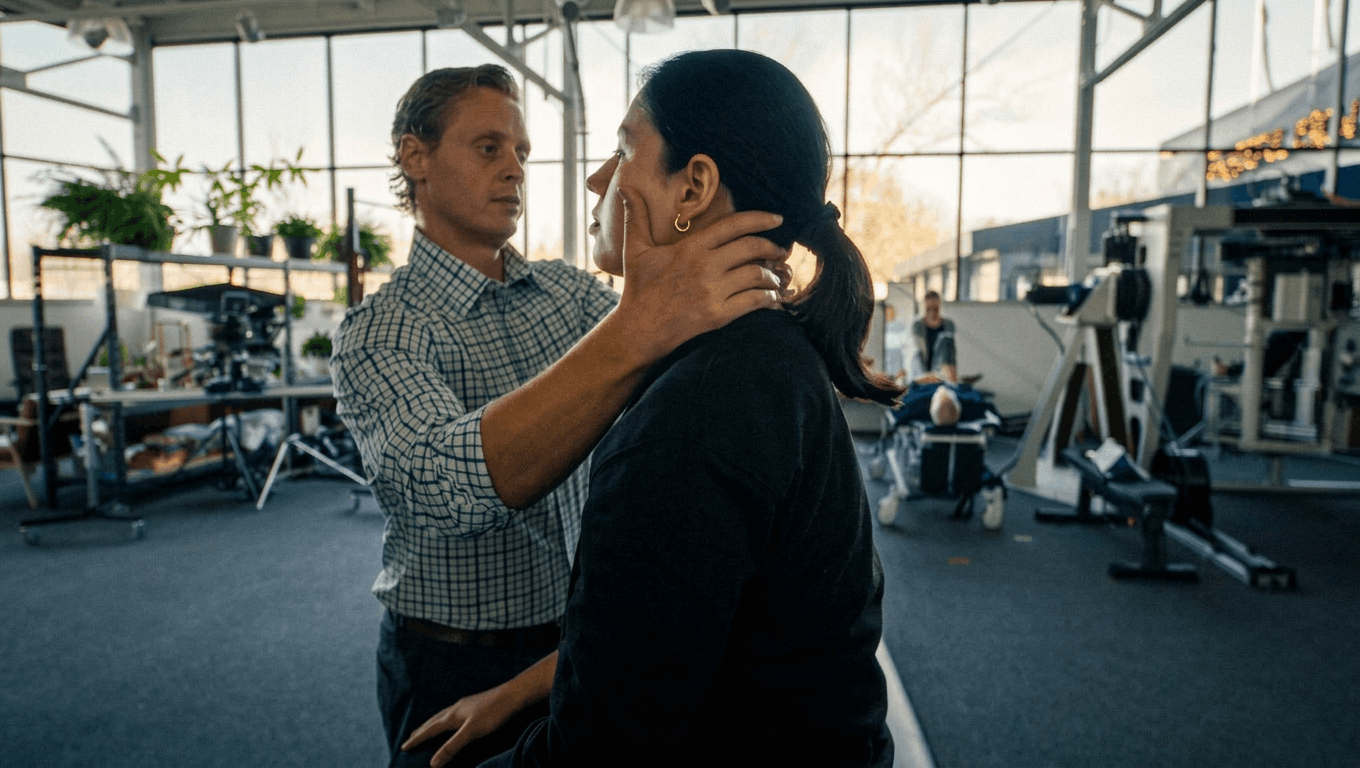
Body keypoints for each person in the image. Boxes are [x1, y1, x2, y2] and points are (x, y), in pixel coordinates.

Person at [407, 49, 900, 767]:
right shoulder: (764, 357)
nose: (595, 177)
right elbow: (697, 626)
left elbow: (598, 755)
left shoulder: (693, 416)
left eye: (621, 149)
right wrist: (527, 687)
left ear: (693, 187)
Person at [330, 63, 789, 768]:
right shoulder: (381, 332)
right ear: (414, 157)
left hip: (570, 644)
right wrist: (634, 331)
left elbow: (689, 341)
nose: (514, 170)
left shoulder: (571, 297)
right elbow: (441, 488)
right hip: (445, 659)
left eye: (521, 154)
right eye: (489, 148)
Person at [905, 289, 957, 384]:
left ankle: (948, 380)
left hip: (942, 369)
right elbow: (917, 351)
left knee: (945, 339)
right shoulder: (917, 325)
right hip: (922, 368)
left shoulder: (949, 324)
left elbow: (950, 355)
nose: (932, 312)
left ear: (939, 306)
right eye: (929, 308)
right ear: (924, 307)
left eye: (935, 308)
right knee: (916, 352)